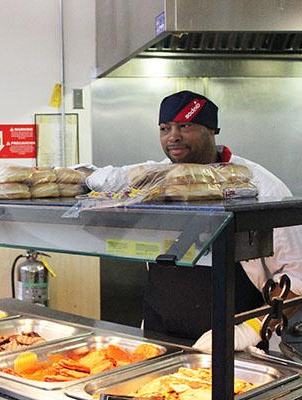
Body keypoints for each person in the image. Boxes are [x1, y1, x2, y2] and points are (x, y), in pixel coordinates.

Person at [87, 90, 302, 352]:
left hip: (239, 345)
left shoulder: (260, 186)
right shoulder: (154, 178)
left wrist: (250, 329)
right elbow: (105, 178)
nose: (173, 136)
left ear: (211, 130)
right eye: (165, 128)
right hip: (160, 333)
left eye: (185, 126)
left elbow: (297, 275)